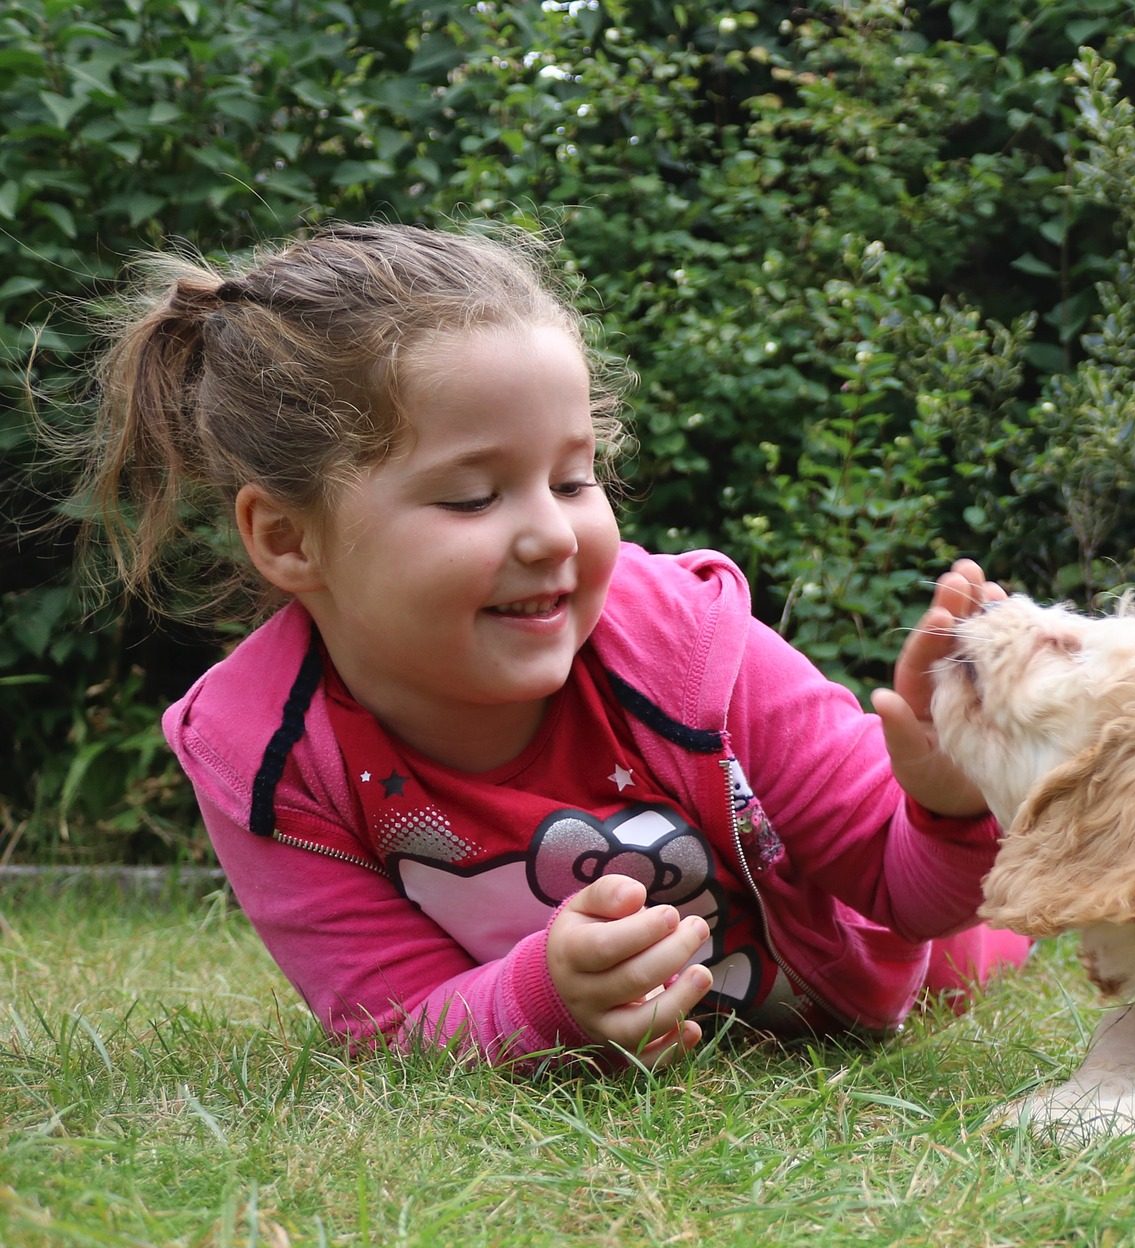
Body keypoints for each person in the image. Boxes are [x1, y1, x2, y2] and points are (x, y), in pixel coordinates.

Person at [77, 221, 1028, 1069]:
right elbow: (391, 1022)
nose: (551, 536)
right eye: (472, 497)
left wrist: (949, 804)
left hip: (881, 950)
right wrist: (547, 1000)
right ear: (288, 538)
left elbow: (903, 886)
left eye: (574, 481)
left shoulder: (690, 648)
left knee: (987, 942)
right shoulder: (268, 757)